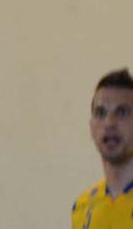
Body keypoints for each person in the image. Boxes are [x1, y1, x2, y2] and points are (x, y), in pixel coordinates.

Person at [72, 68, 133, 228]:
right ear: (91, 127)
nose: (109, 123)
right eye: (100, 113)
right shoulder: (83, 207)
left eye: (122, 112)